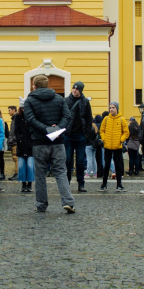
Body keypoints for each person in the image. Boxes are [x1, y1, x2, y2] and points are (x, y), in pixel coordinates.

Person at [23, 74, 75, 214]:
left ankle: (41, 204)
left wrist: (45, 129)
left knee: (40, 174)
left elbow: (30, 119)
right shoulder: (59, 98)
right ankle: (68, 202)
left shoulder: (30, 100)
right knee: (60, 172)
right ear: (47, 85)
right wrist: (56, 129)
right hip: (57, 141)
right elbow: (67, 116)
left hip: (40, 141)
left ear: (34, 86)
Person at [64, 81, 93, 193]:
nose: (74, 90)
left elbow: (89, 119)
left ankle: (81, 184)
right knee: (68, 160)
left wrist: (86, 134)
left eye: (76, 89)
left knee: (80, 161)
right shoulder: (66, 100)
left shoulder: (85, 102)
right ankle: (67, 182)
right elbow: (64, 116)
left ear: (80, 90)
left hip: (80, 135)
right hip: (68, 135)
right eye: (73, 88)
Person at [99, 101, 129, 192]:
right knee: (106, 166)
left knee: (118, 166)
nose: (111, 109)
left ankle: (119, 185)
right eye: (110, 108)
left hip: (117, 147)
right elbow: (102, 130)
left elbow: (126, 132)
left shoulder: (121, 119)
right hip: (107, 146)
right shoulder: (106, 119)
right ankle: (104, 184)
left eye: (113, 108)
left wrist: (121, 140)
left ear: (117, 108)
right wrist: (104, 139)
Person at [12, 99, 34, 193]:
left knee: (30, 165)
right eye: (22, 108)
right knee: (21, 166)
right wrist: (19, 139)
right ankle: (23, 184)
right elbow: (16, 130)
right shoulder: (17, 117)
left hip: (30, 145)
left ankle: (29, 184)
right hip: (21, 145)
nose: (24, 109)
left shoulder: (31, 117)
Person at [6, 105, 19, 180]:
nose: (8, 112)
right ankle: (17, 173)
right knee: (15, 158)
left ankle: (17, 173)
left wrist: (12, 140)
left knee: (15, 157)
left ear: (14, 110)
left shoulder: (15, 119)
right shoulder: (14, 118)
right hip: (14, 141)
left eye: (9, 110)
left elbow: (14, 131)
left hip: (15, 141)